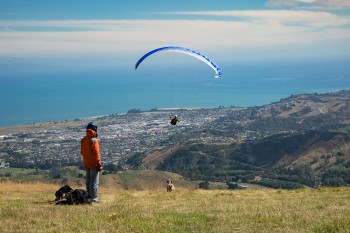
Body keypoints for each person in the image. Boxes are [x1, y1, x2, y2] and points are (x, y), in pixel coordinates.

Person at [80, 122, 103, 203]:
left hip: (86, 163)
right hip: (94, 164)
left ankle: (88, 197)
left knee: (88, 182)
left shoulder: (83, 140)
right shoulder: (94, 140)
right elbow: (97, 154)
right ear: (95, 129)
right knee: (94, 183)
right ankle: (94, 199)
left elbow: (82, 152)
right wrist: (99, 164)